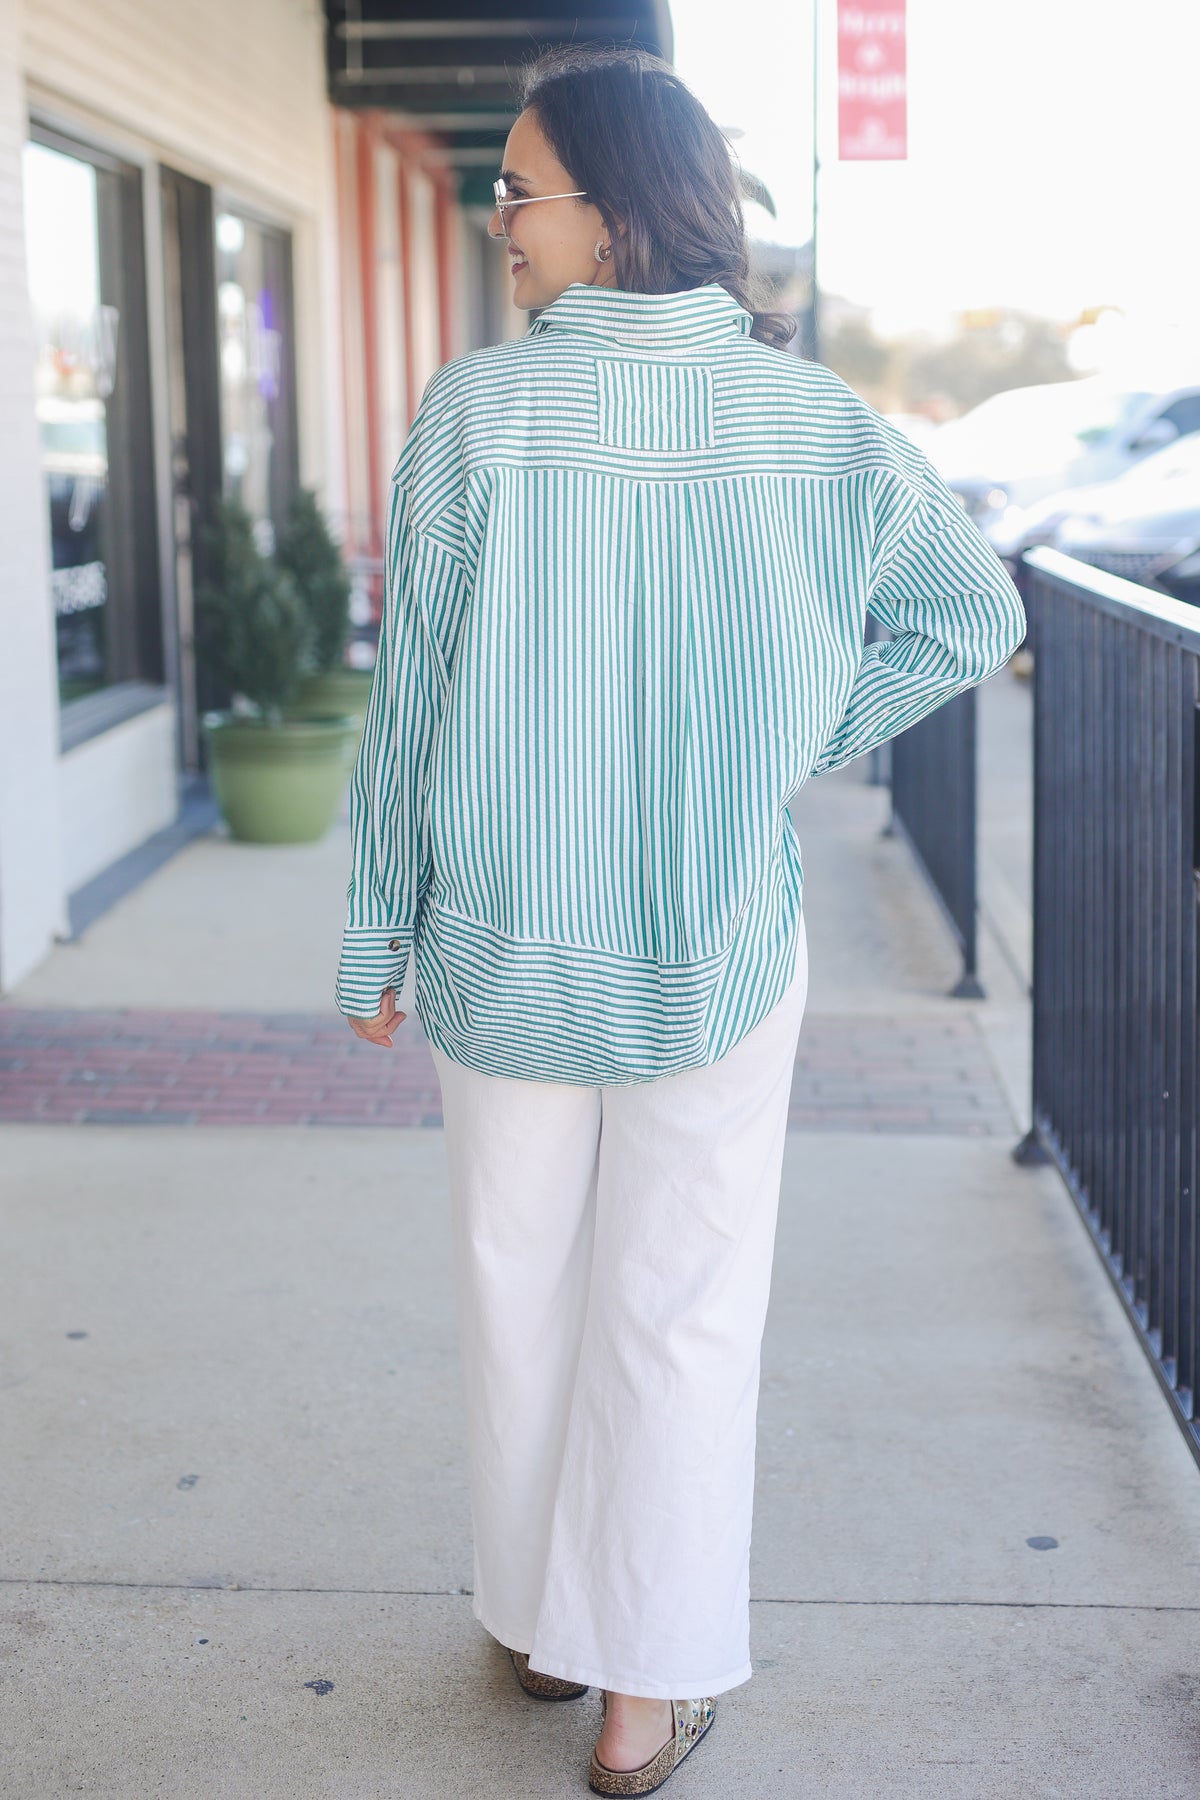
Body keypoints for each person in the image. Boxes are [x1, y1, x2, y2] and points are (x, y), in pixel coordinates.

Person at [334, 43, 1026, 1797]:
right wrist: (787, 737)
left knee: (520, 1286)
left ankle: (536, 1621)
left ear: (619, 212)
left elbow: (409, 695)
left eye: (519, 189)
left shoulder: (475, 415)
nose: (499, 218)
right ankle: (644, 1694)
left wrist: (375, 934)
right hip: (717, 939)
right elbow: (967, 612)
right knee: (682, 1308)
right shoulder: (816, 423)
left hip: (503, 929)